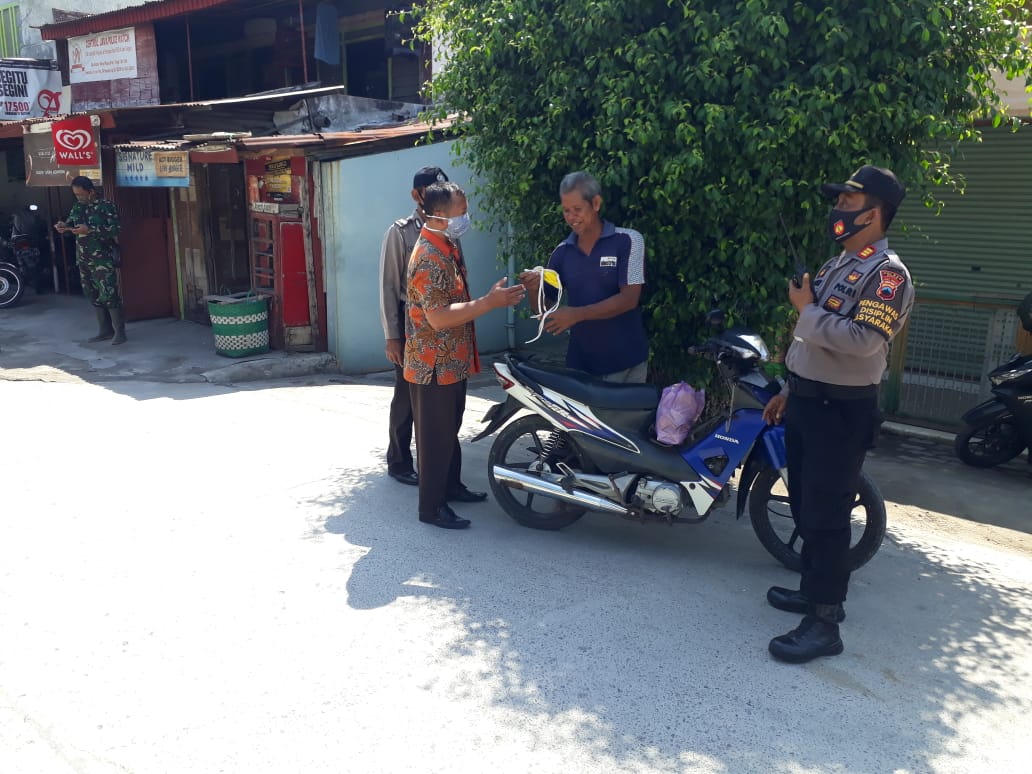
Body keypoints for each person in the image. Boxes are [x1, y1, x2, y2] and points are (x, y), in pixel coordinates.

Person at [761, 165, 914, 663]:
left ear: (875, 213)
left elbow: (864, 342)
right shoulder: (838, 264)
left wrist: (806, 310)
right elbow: (813, 343)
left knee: (827, 517)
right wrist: (791, 388)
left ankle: (825, 623)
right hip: (809, 400)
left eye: (848, 203)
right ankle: (813, 591)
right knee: (805, 504)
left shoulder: (887, 274)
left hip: (841, 410)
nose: (838, 211)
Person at [404, 181, 525, 529]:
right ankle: (431, 508)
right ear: (439, 215)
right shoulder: (429, 256)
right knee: (434, 439)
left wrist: (489, 300)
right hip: (433, 365)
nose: (466, 217)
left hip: (450, 361)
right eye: (462, 210)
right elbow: (439, 317)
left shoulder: (447, 246)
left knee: (448, 431)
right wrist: (489, 303)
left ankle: (451, 487)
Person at [519, 171, 649, 382]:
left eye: (577, 209)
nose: (571, 217)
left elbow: (629, 299)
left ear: (596, 203)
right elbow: (544, 311)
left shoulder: (629, 240)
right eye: (566, 210)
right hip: (581, 366)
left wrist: (576, 314)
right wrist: (534, 289)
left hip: (626, 363)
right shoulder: (562, 253)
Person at [378, 166, 449, 487]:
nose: (438, 197)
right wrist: (392, 336)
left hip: (442, 321)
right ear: (416, 195)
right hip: (410, 321)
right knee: (407, 396)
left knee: (438, 398)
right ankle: (399, 460)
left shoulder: (448, 228)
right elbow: (388, 287)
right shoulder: (401, 233)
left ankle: (438, 467)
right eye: (431, 191)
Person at [54, 176, 125, 345]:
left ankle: (120, 332)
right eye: (76, 195)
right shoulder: (78, 207)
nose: (78, 197)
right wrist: (63, 226)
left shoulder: (106, 206)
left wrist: (90, 229)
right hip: (83, 258)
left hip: (102, 259)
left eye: (80, 194)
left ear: (91, 191)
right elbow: (71, 223)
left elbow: (116, 229)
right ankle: (104, 330)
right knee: (92, 293)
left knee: (109, 293)